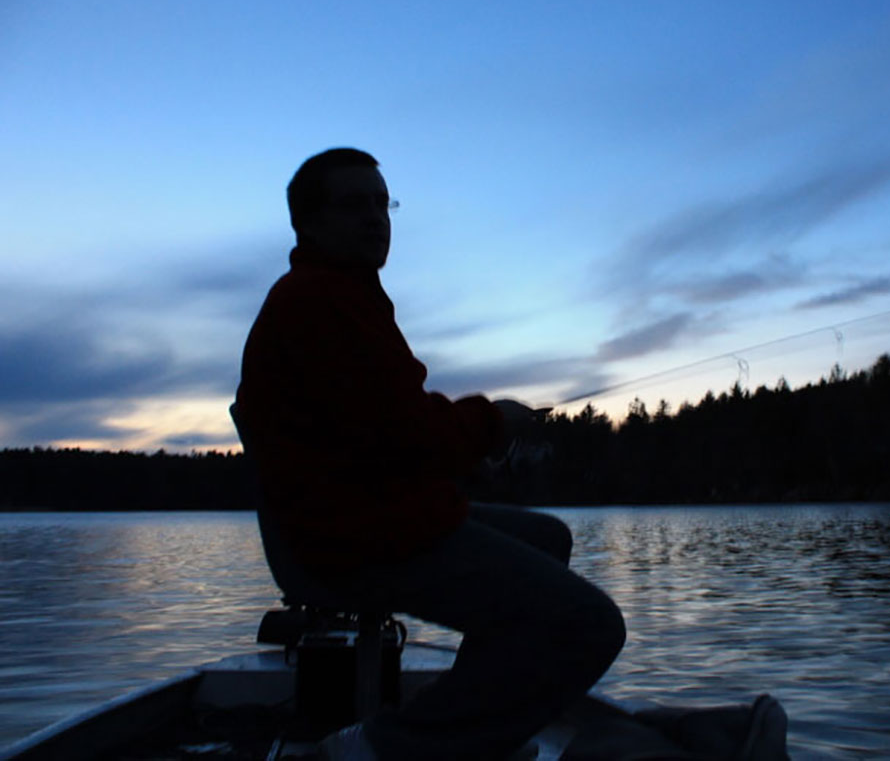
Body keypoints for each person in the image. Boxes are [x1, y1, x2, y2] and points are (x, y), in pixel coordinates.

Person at [234, 148, 625, 760]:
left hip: (372, 519)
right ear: (307, 223)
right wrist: (496, 421)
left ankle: (474, 724)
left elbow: (378, 436)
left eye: (381, 203)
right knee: (589, 625)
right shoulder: (315, 303)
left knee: (547, 538)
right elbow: (405, 432)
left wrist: (474, 455)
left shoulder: (345, 296)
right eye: (353, 203)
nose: (375, 217)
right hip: (351, 542)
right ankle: (384, 749)